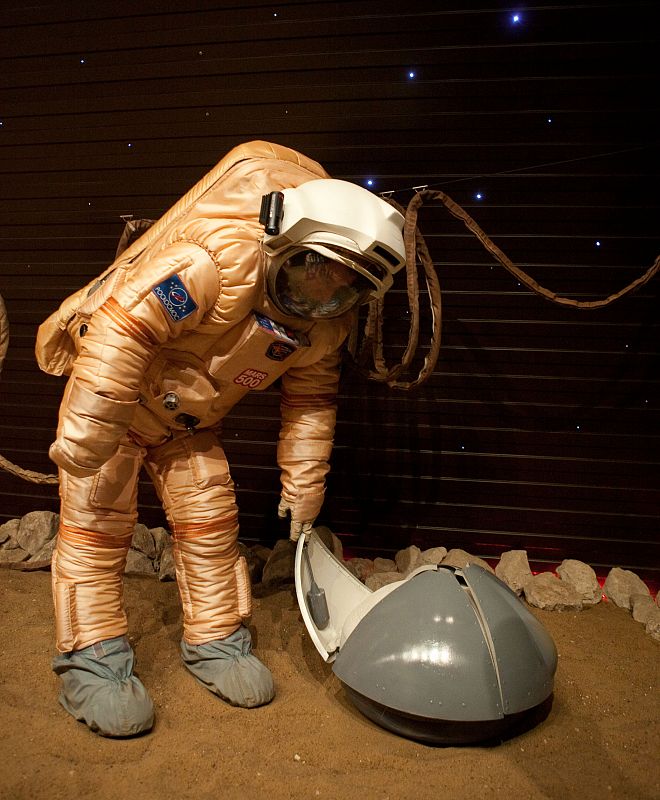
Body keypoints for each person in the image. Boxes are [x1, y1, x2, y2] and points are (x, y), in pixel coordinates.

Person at [35, 140, 406, 738]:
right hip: (114, 414)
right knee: (97, 531)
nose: (319, 296)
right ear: (286, 246)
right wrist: (90, 432)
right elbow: (120, 330)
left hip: (187, 428)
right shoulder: (215, 263)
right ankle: (92, 658)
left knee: (211, 527)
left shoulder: (319, 331)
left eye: (341, 288)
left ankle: (216, 639)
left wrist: (302, 488)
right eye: (313, 272)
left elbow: (310, 407)